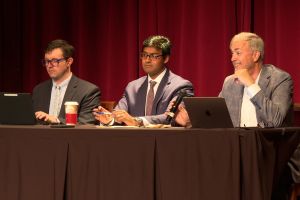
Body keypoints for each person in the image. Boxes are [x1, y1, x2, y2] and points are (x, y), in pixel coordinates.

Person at [174, 32, 295, 200]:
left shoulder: (280, 79)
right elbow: (217, 118)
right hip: (237, 152)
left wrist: (251, 85)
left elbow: (275, 120)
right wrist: (189, 120)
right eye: (232, 53)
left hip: (271, 154)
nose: (232, 58)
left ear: (255, 55)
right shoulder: (230, 82)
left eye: (237, 52)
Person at [93, 35, 194, 126]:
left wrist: (137, 121)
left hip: (165, 142)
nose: (147, 60)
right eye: (144, 55)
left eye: (154, 56)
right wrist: (110, 119)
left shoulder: (181, 86)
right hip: (135, 142)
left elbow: (170, 117)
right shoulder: (132, 87)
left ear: (166, 58)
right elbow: (120, 114)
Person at [32, 39, 100, 124]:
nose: (49, 66)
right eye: (47, 61)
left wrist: (56, 121)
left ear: (69, 62)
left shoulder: (88, 91)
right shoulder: (39, 90)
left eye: (54, 61)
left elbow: (85, 124)